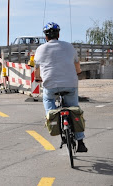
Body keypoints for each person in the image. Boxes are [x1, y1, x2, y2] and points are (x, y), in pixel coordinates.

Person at [34, 22, 88, 152]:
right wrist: (78, 72)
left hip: (50, 85)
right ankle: (80, 142)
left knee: (48, 100)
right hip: (70, 84)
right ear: (58, 34)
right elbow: (77, 66)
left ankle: (53, 120)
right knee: (74, 109)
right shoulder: (69, 47)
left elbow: (37, 69)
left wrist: (38, 78)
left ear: (46, 37)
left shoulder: (40, 49)